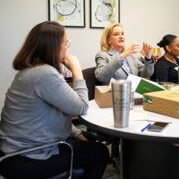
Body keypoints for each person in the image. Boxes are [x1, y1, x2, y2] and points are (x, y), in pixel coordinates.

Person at [0, 21, 109, 179]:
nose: (67, 47)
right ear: (53, 46)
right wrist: (77, 70)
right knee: (100, 152)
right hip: (28, 157)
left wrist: (77, 133)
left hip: (16, 150)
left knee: (90, 138)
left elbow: (50, 114)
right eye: (66, 43)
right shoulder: (44, 74)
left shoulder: (30, 71)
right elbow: (82, 107)